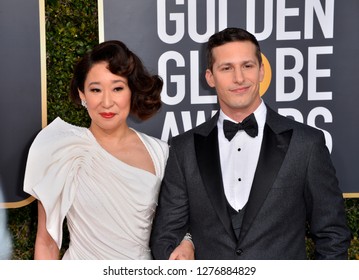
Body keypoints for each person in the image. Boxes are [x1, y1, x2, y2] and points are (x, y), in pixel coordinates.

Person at [150, 27, 352, 260]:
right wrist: (186, 244)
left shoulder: (306, 143)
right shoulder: (184, 148)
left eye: (247, 66)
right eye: (226, 68)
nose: (239, 78)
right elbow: (166, 236)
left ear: (261, 71)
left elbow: (333, 236)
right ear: (210, 77)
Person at [23, 40, 169, 259]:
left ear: (132, 91)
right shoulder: (61, 149)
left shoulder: (160, 153)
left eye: (118, 88)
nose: (107, 102)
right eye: (96, 90)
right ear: (82, 94)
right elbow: (46, 242)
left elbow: (174, 227)